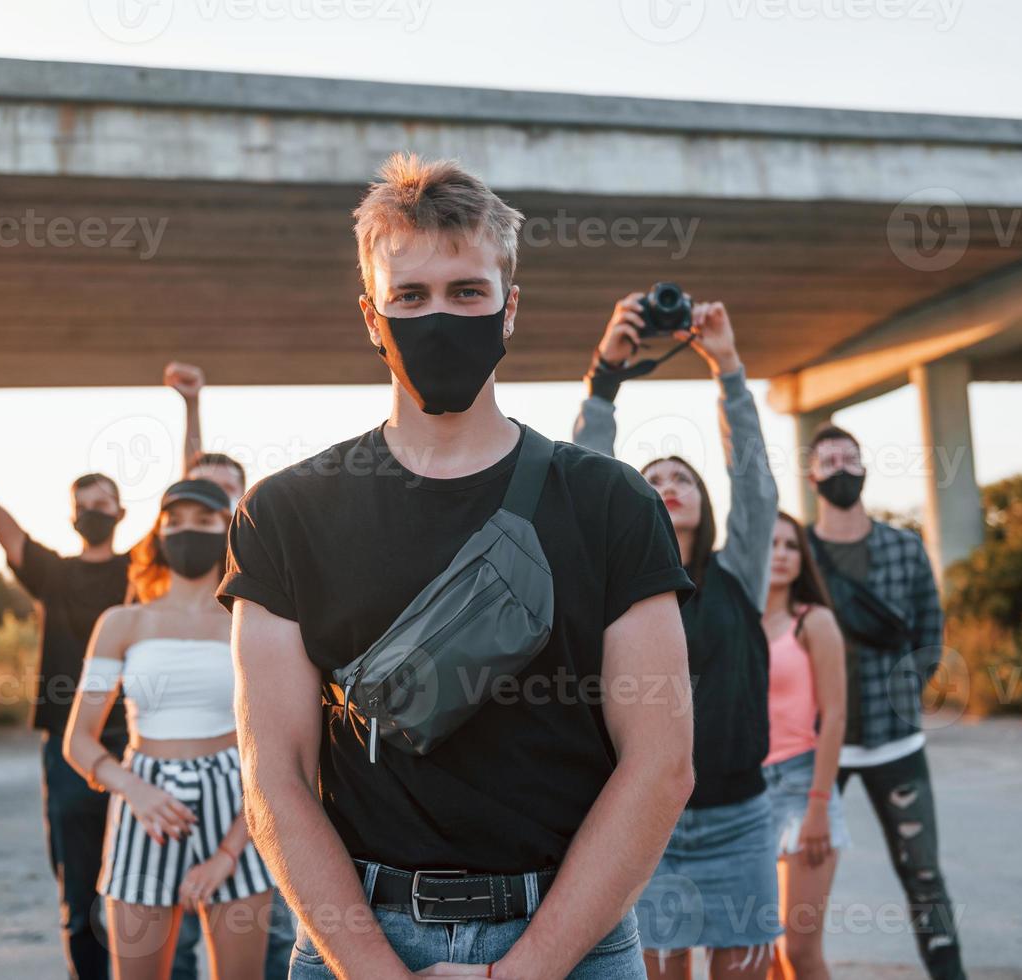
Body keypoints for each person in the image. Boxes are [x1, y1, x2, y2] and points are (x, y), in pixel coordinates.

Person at [219, 153, 697, 978]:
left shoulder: (612, 502)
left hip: (570, 939)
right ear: (372, 316)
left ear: (510, 309)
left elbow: (660, 764)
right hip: (356, 943)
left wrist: (522, 972)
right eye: (411, 296)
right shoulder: (286, 512)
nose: (439, 316)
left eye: (467, 292)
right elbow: (276, 779)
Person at [0, 367, 212, 980]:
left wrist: (190, 405)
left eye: (103, 503)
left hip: (145, 747)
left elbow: (193, 492)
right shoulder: (49, 573)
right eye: (84, 506)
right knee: (80, 896)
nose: (94, 511)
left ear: (120, 511)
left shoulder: (143, 570)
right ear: (73, 516)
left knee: (164, 893)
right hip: (69, 750)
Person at [572, 295, 783, 978]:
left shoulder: (739, 574)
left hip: (740, 819)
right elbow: (582, 474)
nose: (668, 485)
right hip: (641, 823)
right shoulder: (619, 583)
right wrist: (605, 375)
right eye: (653, 479)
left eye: (681, 478)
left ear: (703, 500)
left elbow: (755, 482)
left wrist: (728, 369)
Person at [66, 478, 276, 979]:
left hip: (238, 806)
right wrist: (135, 791)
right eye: (174, 521)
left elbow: (277, 751)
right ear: (158, 534)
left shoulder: (253, 620)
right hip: (145, 803)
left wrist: (228, 852)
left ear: (227, 531)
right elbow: (78, 740)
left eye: (203, 521)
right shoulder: (121, 622)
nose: (187, 531)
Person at [805, 424, 965, 979]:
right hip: (817, 748)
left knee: (924, 875)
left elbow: (930, 634)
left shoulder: (905, 546)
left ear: (865, 468)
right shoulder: (798, 554)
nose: (841, 469)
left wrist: (901, 701)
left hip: (896, 743)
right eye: (828, 461)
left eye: (850, 458)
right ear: (811, 475)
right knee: (798, 879)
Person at [163, 365, 298, 980]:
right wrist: (191, 407)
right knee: (178, 939)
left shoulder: (268, 574)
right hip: (182, 788)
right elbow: (187, 485)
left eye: (226, 495)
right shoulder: (161, 592)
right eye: (200, 496)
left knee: (269, 937)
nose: (212, 504)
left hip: (254, 785)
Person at [761, 512, 848, 980]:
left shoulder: (814, 622)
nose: (780, 554)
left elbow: (835, 716)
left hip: (802, 787)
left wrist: (818, 806)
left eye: (791, 546)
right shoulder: (737, 619)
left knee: (800, 951)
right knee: (768, 952)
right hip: (749, 796)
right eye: (771, 544)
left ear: (802, 559)